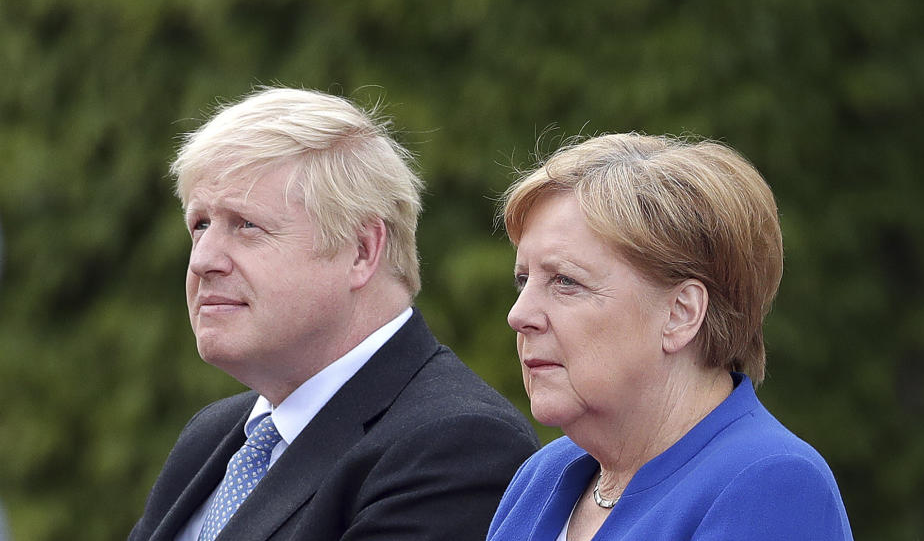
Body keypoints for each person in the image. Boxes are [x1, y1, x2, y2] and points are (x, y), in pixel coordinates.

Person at [128, 87, 539, 541]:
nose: (203, 259)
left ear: (361, 251)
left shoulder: (457, 446)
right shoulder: (212, 436)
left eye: (246, 225)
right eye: (199, 225)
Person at [487, 133, 854, 541]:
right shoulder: (541, 477)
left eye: (565, 281)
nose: (518, 315)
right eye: (523, 281)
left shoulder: (772, 484)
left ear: (681, 314)